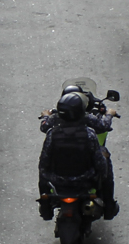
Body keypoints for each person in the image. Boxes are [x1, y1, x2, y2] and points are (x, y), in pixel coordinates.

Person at [37, 90, 117, 219]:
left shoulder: (52, 134)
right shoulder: (90, 134)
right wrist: (102, 178)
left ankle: (45, 208)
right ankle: (109, 206)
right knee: (105, 155)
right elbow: (100, 164)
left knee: (42, 173)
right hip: (85, 180)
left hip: (57, 181)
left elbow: (43, 164)